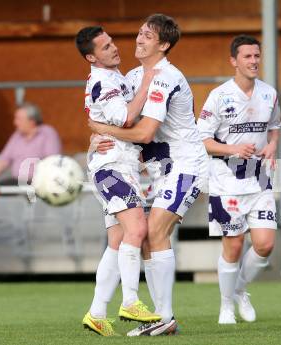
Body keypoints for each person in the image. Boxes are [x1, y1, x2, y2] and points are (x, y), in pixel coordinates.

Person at [89, 13, 209, 336]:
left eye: (147, 36)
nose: (138, 39)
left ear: (164, 44)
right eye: (139, 33)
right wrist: (98, 135)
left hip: (186, 165)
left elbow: (143, 133)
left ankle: (163, 317)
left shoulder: (165, 77)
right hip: (160, 172)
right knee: (144, 240)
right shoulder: (132, 77)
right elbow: (120, 119)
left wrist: (102, 128)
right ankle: (160, 318)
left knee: (154, 230)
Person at [75, 26, 161, 336]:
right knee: (138, 228)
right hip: (111, 168)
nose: (114, 48)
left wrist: (98, 133)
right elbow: (124, 117)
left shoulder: (113, 77)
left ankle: (97, 312)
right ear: (91, 56)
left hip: (117, 164)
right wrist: (148, 82)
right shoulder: (103, 80)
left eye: (112, 42)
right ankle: (130, 301)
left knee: (117, 242)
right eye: (105, 46)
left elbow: (103, 122)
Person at [196, 35, 281, 324]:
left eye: (257, 55)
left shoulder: (269, 93)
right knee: (233, 247)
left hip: (259, 182)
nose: (254, 61)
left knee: (265, 245)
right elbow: (202, 139)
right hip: (226, 182)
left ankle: (239, 290)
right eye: (247, 56)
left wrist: (272, 145)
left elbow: (274, 127)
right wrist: (233, 148)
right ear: (234, 61)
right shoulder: (219, 96)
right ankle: (225, 306)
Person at [0, 103, 61, 186]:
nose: (15, 123)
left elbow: (52, 161)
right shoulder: (17, 135)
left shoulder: (47, 133)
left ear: (32, 121)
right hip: (16, 181)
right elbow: (4, 160)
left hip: (38, 183)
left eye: (18, 119)